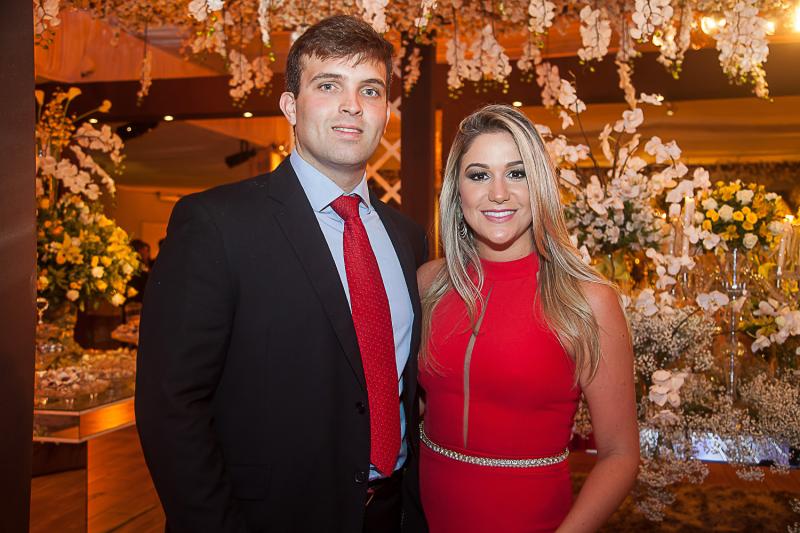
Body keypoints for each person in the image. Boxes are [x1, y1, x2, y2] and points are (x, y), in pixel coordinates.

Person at [136, 15, 428, 533]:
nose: (352, 105)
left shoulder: (407, 237)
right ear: (291, 106)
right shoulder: (216, 224)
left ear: (386, 111)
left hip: (392, 513)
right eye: (329, 85)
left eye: (370, 90)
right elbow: (171, 405)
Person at [416, 105, 639, 533]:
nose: (498, 193)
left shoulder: (588, 301)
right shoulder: (430, 283)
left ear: (539, 184)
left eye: (516, 173)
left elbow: (620, 455)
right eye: (479, 175)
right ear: (457, 191)